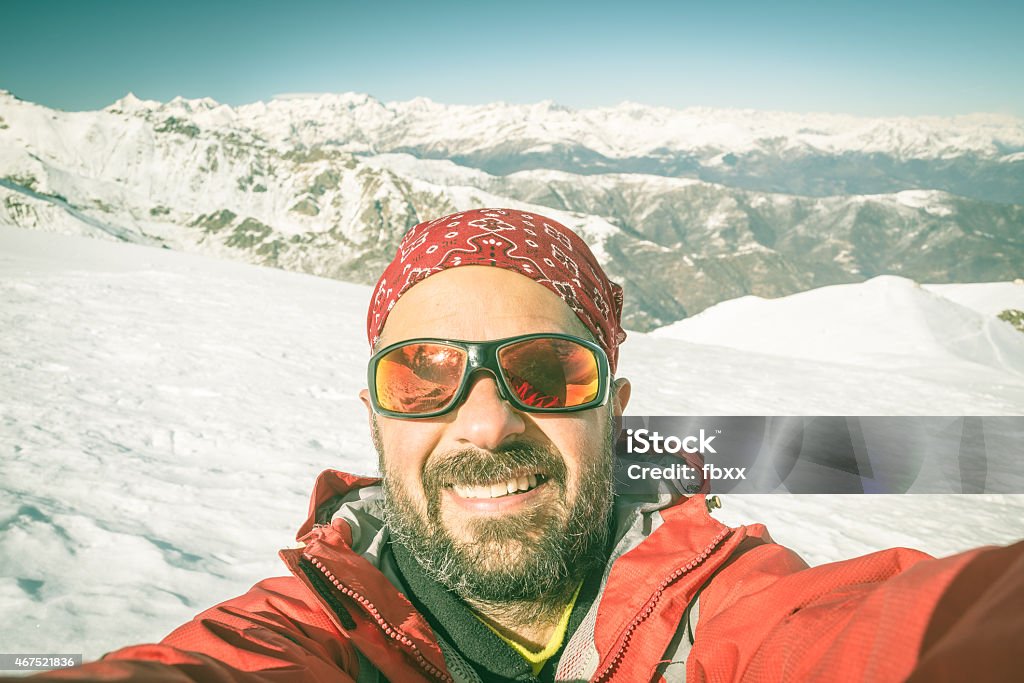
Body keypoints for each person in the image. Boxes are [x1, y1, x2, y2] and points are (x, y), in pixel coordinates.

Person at [15, 208, 1023, 682]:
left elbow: (898, 637)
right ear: (376, 418)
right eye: (424, 374)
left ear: (614, 409)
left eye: (546, 372)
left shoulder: (724, 607)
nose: (488, 422)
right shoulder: (308, 632)